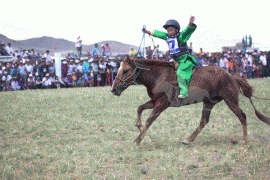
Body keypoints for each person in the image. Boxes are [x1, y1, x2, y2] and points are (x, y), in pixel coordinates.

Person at [143, 16, 197, 98]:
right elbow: (159, 34)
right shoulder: (167, 37)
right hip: (175, 60)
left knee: (180, 72)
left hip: (185, 59)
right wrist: (148, 32)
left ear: (176, 30)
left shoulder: (181, 37)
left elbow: (186, 32)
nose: (169, 32)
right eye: (168, 31)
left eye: (171, 30)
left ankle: (184, 92)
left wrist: (190, 25)